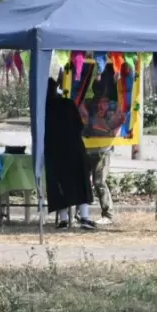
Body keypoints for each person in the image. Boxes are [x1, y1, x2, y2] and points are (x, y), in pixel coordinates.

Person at [45, 77, 97, 230]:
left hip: (55, 150)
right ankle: (84, 218)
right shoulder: (68, 104)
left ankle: (63, 219)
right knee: (81, 182)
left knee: (59, 184)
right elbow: (79, 125)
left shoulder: (45, 107)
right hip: (74, 148)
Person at [87, 146, 114, 224]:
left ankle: (108, 215)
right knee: (82, 181)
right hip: (85, 150)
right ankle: (80, 215)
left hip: (102, 151)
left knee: (99, 183)